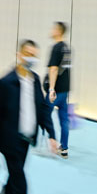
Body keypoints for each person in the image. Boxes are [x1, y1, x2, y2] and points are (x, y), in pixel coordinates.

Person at [0, 40, 57, 194]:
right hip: (9, 140)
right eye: (28, 54)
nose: (31, 58)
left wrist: (51, 135)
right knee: (20, 179)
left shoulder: (35, 80)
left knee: (14, 179)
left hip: (26, 139)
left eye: (34, 55)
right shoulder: (6, 82)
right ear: (19, 55)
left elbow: (41, 109)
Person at [44, 21, 71, 159]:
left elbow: (53, 69)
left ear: (59, 31)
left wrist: (51, 89)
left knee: (44, 114)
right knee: (64, 119)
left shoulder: (56, 48)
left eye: (54, 29)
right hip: (65, 89)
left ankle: (49, 142)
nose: (51, 30)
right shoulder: (66, 48)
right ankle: (64, 148)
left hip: (56, 91)